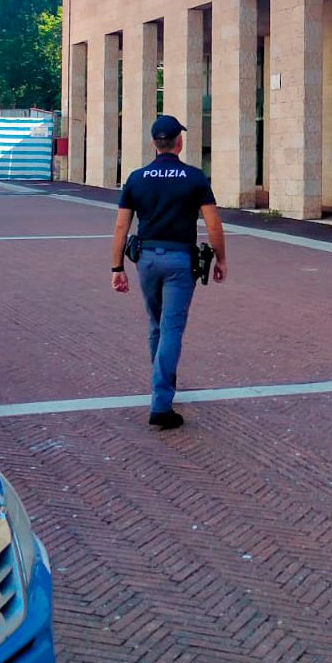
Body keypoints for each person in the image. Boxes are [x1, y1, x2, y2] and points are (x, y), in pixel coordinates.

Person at [111, 115, 227, 430]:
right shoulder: (194, 177)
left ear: (154, 143)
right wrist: (221, 259)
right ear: (179, 142)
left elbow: (121, 226)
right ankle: (161, 404)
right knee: (172, 328)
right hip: (180, 260)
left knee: (156, 326)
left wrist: (117, 267)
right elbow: (213, 225)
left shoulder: (136, 178)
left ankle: (162, 378)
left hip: (146, 259)